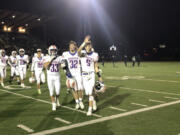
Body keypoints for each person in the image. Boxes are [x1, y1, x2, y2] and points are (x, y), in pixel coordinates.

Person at [78, 35, 104, 116]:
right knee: (88, 92)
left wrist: (99, 76)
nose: (88, 46)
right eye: (86, 45)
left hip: (91, 74)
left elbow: (96, 67)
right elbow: (78, 52)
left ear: (91, 46)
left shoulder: (95, 54)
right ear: (85, 47)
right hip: (84, 75)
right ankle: (94, 101)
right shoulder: (82, 53)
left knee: (90, 93)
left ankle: (89, 109)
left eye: (89, 45)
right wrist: (83, 43)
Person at [62, 41, 84, 110]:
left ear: (75, 46)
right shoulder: (65, 54)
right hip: (70, 74)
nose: (72, 46)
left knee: (80, 88)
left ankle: (80, 101)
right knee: (74, 89)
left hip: (78, 73)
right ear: (69, 46)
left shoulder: (78, 53)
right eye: (70, 45)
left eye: (73, 45)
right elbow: (63, 65)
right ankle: (77, 102)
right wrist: (67, 73)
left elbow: (81, 54)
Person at [44, 45, 62, 111]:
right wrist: (51, 59)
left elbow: (60, 65)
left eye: (54, 51)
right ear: (49, 51)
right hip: (50, 77)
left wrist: (61, 65)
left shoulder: (59, 58)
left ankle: (57, 100)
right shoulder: (46, 57)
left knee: (58, 91)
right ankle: (53, 104)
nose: (53, 52)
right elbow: (46, 66)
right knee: (51, 92)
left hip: (57, 76)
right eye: (52, 50)